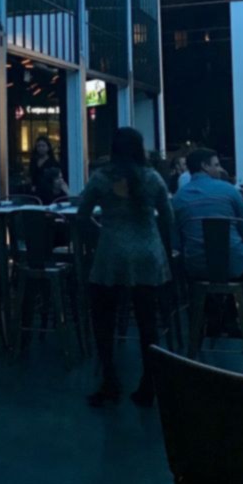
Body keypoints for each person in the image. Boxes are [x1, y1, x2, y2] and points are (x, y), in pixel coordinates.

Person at [78, 127, 173, 408]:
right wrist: (162, 248)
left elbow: (82, 216)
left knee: (104, 319)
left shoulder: (101, 179)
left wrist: (103, 233)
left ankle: (110, 380)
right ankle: (148, 384)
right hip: (147, 253)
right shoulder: (152, 178)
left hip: (112, 254)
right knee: (147, 321)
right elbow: (168, 217)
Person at [172, 147, 243, 281]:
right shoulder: (230, 190)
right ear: (204, 166)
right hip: (233, 263)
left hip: (195, 265)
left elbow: (176, 237)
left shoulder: (179, 197)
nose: (220, 169)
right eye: (216, 165)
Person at [29, 136, 59, 204]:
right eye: (38, 146)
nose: (41, 148)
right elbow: (31, 175)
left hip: (48, 193)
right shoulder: (34, 161)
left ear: (48, 147)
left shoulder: (53, 162)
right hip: (35, 193)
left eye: (43, 146)